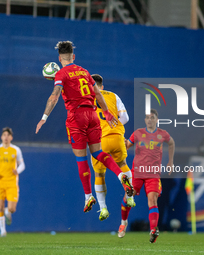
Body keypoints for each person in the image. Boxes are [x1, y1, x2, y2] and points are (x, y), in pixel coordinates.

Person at [36, 41, 134, 214]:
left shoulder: (60, 73)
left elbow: (54, 96)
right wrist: (107, 112)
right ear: (73, 56)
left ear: (59, 58)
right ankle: (121, 176)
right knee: (98, 153)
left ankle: (88, 196)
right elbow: (97, 93)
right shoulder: (85, 71)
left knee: (81, 159)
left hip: (77, 117)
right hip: (93, 115)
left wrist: (44, 118)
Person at [118, 109, 175, 243]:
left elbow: (171, 143)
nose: (150, 120)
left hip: (153, 174)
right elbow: (127, 145)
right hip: (137, 173)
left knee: (153, 200)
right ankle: (123, 222)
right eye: (147, 117)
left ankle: (153, 230)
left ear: (156, 119)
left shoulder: (163, 134)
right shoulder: (138, 133)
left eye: (152, 117)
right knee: (127, 198)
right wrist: (122, 143)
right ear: (145, 120)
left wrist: (170, 162)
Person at [90, 74, 135, 221]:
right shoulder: (113, 96)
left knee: (99, 175)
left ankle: (103, 208)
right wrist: (114, 124)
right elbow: (125, 119)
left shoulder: (87, 99)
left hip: (99, 141)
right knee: (123, 164)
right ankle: (130, 197)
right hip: (116, 136)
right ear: (101, 86)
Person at [0, 127, 25, 237]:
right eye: (4, 135)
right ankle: (3, 231)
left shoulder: (16, 150)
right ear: (1, 137)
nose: (6, 137)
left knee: (12, 208)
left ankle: (8, 212)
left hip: (12, 182)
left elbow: (22, 165)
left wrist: (17, 170)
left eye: (8, 135)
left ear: (11, 137)